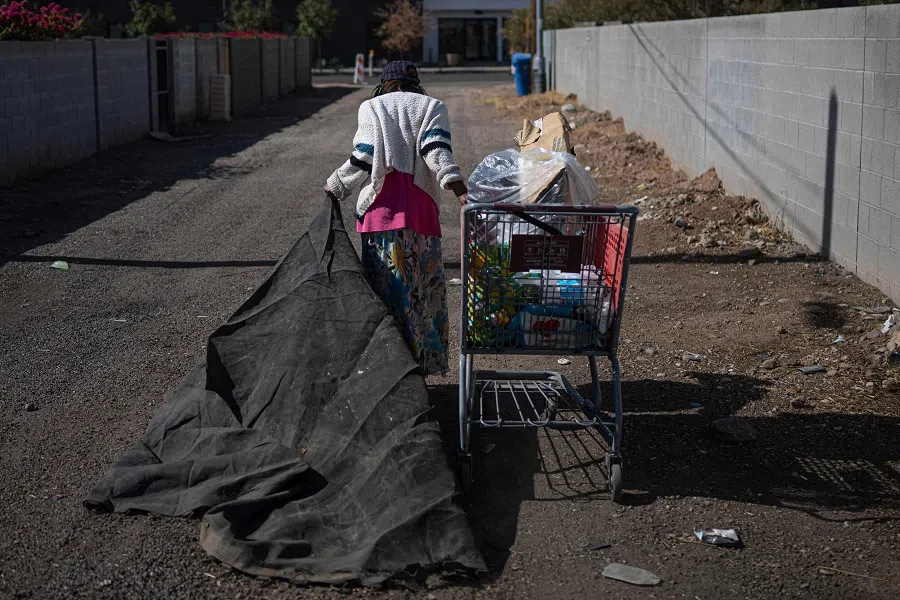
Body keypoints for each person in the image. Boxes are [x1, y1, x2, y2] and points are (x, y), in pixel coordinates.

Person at [324, 61, 468, 376]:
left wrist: (335, 186)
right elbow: (436, 151)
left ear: (385, 83)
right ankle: (424, 365)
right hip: (421, 215)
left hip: (380, 216)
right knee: (424, 292)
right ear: (415, 82)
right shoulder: (432, 106)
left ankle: (389, 372)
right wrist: (460, 189)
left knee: (388, 298)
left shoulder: (370, 108)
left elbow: (363, 156)